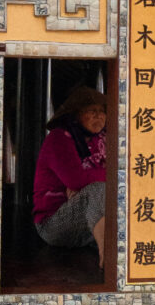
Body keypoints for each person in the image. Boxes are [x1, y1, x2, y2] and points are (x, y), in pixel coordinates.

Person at [32, 85, 107, 263]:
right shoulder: (58, 139)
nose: (99, 115)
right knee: (98, 189)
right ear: (76, 115)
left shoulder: (103, 140)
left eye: (102, 111)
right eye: (91, 110)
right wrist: (98, 180)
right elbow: (76, 179)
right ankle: (109, 254)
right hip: (53, 225)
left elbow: (123, 174)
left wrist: (84, 187)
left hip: (87, 228)